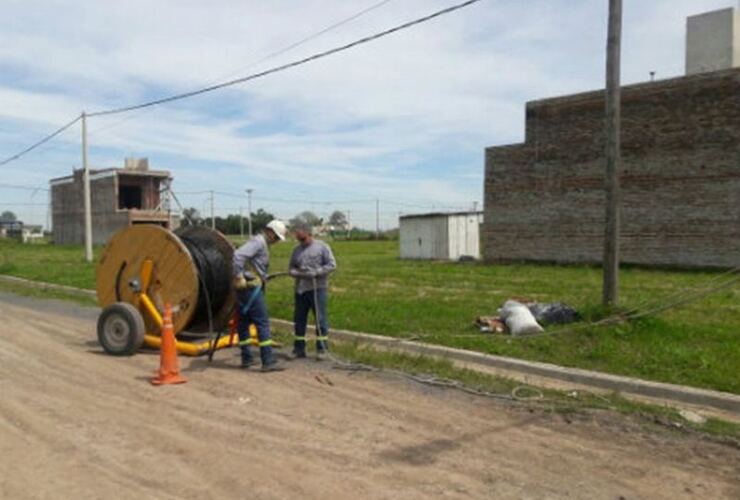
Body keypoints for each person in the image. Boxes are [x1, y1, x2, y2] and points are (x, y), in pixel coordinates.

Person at [233, 219, 287, 372]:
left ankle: (247, 358)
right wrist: (238, 276)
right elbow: (237, 256)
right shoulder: (258, 242)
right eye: (276, 237)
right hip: (251, 290)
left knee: (243, 324)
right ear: (270, 232)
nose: (276, 241)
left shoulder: (262, 243)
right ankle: (267, 361)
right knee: (262, 324)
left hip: (247, 288)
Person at [288, 222, 337, 360]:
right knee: (299, 319)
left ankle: (322, 349)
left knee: (320, 319)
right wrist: (297, 273)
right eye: (299, 239)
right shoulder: (296, 250)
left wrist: (317, 272)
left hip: (317, 289)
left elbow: (332, 265)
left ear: (310, 234)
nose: (301, 242)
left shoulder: (322, 247)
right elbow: (290, 269)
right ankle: (299, 348)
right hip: (301, 290)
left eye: (303, 239)